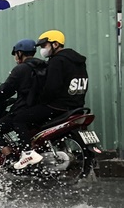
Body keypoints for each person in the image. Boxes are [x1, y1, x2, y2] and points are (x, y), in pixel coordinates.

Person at [12, 29, 88, 169]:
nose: (43, 49)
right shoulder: (78, 61)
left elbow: (52, 87)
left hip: (57, 106)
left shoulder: (57, 61)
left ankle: (27, 154)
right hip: (76, 105)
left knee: (19, 118)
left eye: (44, 45)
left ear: (55, 44)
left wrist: (40, 100)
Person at [0, 39, 47, 154]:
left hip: (24, 109)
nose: (15, 57)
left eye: (15, 54)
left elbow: (6, 89)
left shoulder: (21, 69)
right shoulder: (44, 66)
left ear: (20, 53)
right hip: (41, 109)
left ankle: (11, 158)